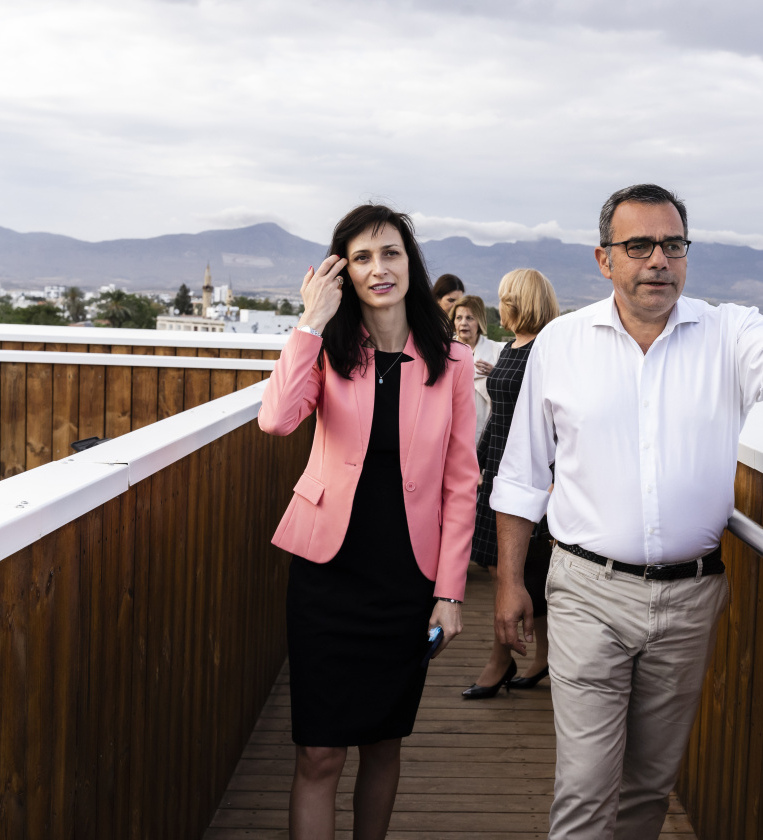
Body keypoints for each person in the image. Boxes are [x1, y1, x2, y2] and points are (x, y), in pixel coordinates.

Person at [490, 184, 763, 839]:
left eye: (672, 245)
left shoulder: (729, 332)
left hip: (690, 600)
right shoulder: (561, 344)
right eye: (639, 245)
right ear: (605, 260)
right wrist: (510, 582)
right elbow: (522, 476)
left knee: (648, 790)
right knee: (587, 787)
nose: (657, 259)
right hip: (587, 592)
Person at [257, 203, 479, 840]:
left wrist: (450, 591)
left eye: (391, 254)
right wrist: (308, 323)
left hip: (406, 579)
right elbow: (276, 420)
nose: (378, 269)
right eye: (361, 258)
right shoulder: (325, 348)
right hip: (328, 574)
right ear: (341, 272)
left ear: (411, 263)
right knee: (319, 752)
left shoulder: (453, 364)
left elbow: (461, 483)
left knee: (384, 744)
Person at [463, 269, 560, 699]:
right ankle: (540, 656)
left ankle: (502, 659)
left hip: (528, 480)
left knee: (514, 570)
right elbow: (499, 418)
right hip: (497, 475)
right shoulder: (511, 347)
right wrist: (475, 464)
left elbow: (557, 424)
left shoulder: (548, 351)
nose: (499, 306)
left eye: (505, 298)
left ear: (520, 302)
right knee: (504, 567)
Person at [450, 294, 506, 442]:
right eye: (459, 318)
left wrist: (495, 375)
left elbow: (507, 393)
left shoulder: (496, 351)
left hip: (484, 431)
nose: (463, 323)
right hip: (451, 426)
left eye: (470, 318)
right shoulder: (444, 351)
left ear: (479, 321)